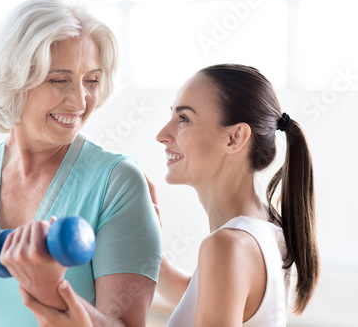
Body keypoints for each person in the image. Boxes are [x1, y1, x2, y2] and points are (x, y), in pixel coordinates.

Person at [0, 0, 161, 327]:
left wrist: (51, 291)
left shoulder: (117, 183)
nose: (80, 101)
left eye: (91, 80)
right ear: (13, 81)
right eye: (58, 79)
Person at [25, 64, 320, 326]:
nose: (162, 134)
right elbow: (211, 295)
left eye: (184, 119)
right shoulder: (266, 230)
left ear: (235, 137)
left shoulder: (226, 246)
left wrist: (67, 306)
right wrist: (152, 254)